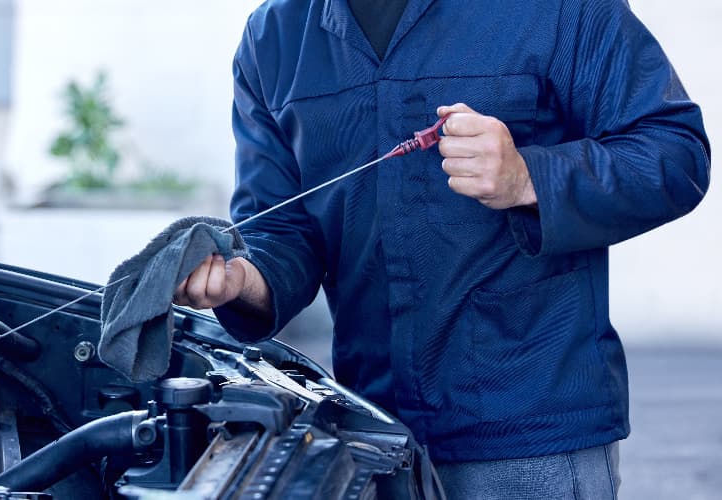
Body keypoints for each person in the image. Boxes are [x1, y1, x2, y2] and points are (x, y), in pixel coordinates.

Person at [174, 0, 710, 498]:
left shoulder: (558, 7)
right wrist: (243, 280)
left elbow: (674, 153)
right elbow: (282, 228)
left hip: (530, 435)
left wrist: (527, 178)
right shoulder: (275, 35)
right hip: (372, 434)